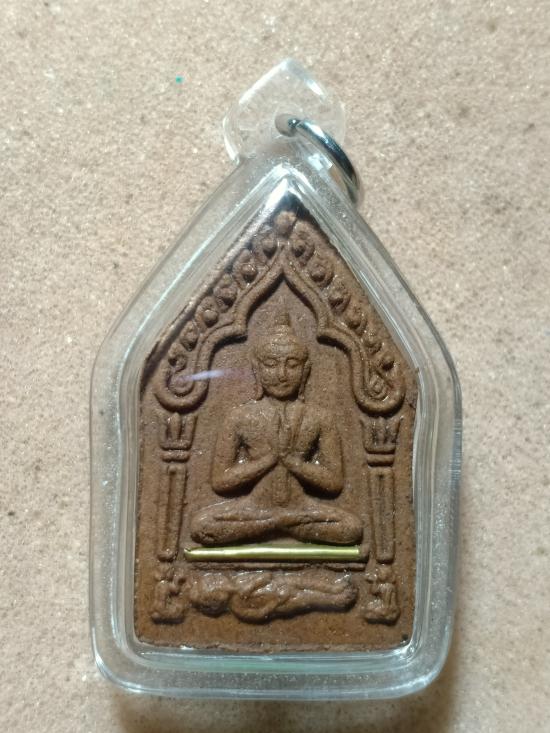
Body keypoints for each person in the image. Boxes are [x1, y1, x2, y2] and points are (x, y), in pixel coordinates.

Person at [190, 313, 362, 546]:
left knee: (351, 528)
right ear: (257, 369)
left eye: (292, 365)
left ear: (305, 371)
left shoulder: (320, 418)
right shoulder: (240, 416)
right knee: (201, 526)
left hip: (302, 508)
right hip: (253, 509)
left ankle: (272, 525)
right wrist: (269, 460)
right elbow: (220, 481)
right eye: (271, 365)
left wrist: (293, 462)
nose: (282, 375)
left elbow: (334, 483)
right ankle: (281, 524)